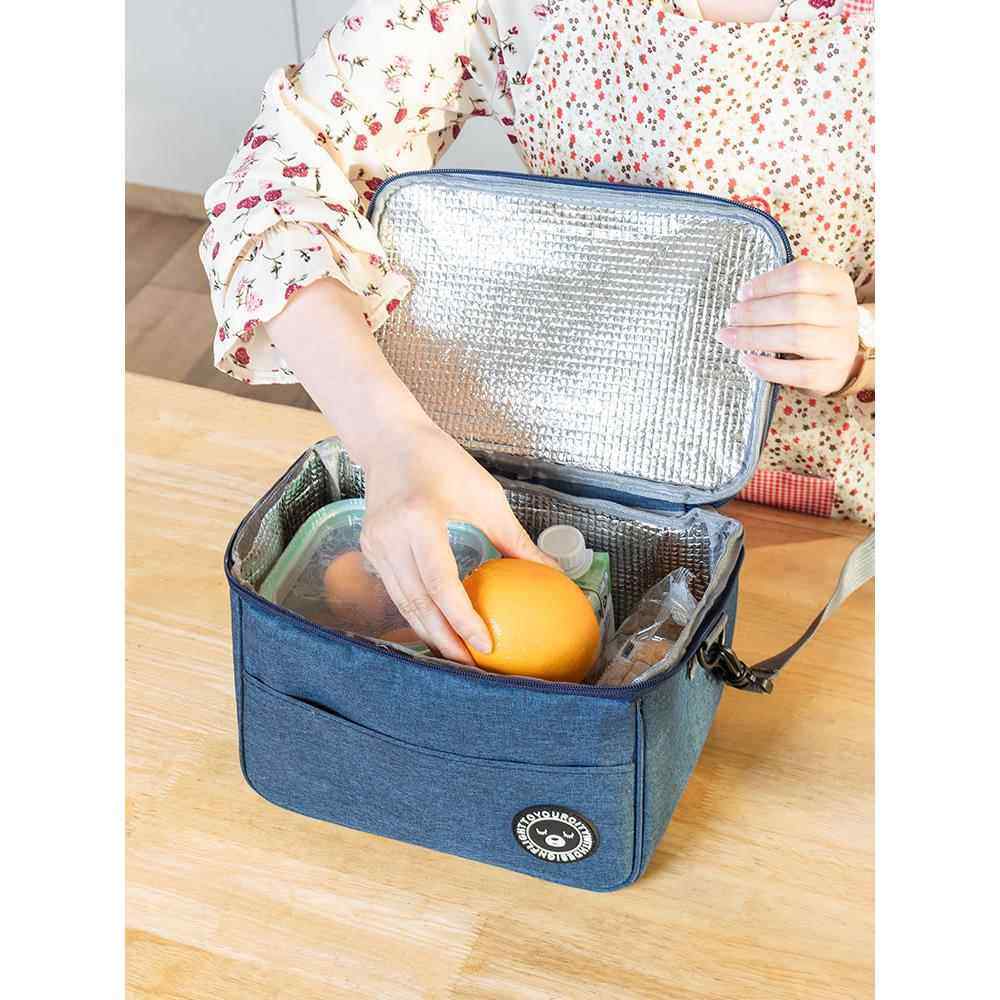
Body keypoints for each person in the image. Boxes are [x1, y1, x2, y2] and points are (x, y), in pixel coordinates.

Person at [200, 0, 875, 663]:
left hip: (818, 506)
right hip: (568, 457)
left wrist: (866, 344)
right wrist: (389, 436)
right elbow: (278, 177)